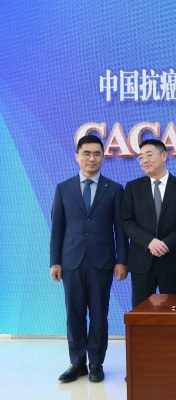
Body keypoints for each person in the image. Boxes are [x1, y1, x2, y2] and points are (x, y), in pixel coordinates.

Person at [50, 135, 128, 383]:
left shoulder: (114, 189)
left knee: (98, 314)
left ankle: (95, 363)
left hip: (102, 261)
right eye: (86, 153)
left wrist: (121, 260)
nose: (91, 158)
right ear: (77, 157)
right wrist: (55, 261)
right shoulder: (63, 188)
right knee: (74, 314)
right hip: (71, 261)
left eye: (97, 154)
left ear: (103, 157)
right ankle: (77, 363)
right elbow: (57, 228)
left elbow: (120, 229)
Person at [122, 139, 176, 308]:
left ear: (164, 156)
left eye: (149, 155)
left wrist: (166, 244)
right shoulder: (133, 188)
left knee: (175, 312)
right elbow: (127, 222)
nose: (144, 161)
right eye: (141, 157)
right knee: (142, 314)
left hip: (174, 261)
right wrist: (149, 242)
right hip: (142, 262)